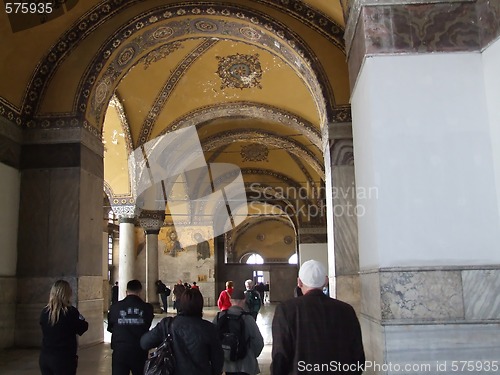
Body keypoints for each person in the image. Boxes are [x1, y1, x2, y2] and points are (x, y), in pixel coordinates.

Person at [271, 260, 365, 375]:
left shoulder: (286, 310)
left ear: (299, 282)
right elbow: (358, 356)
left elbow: (280, 357)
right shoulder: (346, 310)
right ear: (326, 281)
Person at [141, 288, 224, 375]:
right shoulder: (209, 328)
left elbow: (145, 343)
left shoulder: (167, 324)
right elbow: (217, 359)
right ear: (200, 305)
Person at [39, 279, 89, 375]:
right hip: (64, 359)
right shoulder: (71, 312)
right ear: (67, 293)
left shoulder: (44, 312)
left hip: (45, 358)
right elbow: (83, 327)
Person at [107, 279, 154, 375]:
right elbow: (147, 324)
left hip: (120, 349)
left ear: (126, 291)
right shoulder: (147, 307)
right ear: (140, 292)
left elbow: (110, 327)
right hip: (139, 349)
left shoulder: (115, 307)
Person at [213, 289, 264, 375]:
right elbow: (258, 342)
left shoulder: (219, 317)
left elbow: (212, 338)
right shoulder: (248, 319)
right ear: (244, 300)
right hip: (245, 365)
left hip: (226, 365)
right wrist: (250, 355)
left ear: (230, 300)